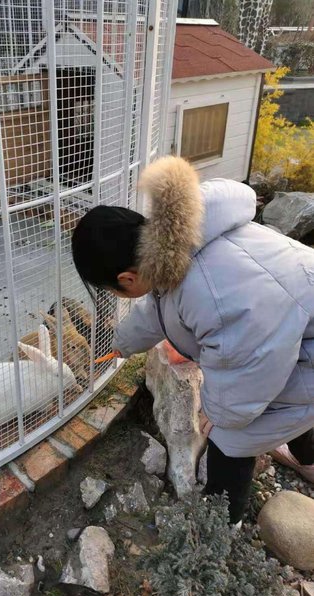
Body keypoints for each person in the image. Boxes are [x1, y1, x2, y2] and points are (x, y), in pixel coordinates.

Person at [71, 156, 314, 525]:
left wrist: (216, 414)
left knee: (231, 438)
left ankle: (221, 524)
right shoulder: (177, 247)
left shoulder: (212, 295)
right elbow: (158, 310)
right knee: (273, 403)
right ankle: (307, 453)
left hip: (299, 344)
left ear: (127, 280)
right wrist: (121, 343)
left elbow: (247, 369)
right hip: (299, 327)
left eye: (112, 291)